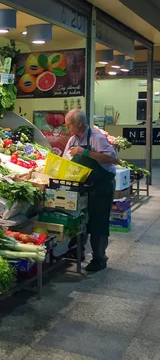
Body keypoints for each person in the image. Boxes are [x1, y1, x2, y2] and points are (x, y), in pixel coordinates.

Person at [63, 109, 117, 272]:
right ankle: (77, 252)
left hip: (101, 186)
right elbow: (66, 161)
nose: (67, 129)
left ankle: (100, 258)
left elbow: (112, 158)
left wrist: (84, 152)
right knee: (81, 220)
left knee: (98, 222)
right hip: (82, 186)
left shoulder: (96, 138)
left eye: (69, 125)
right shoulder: (72, 140)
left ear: (79, 123)